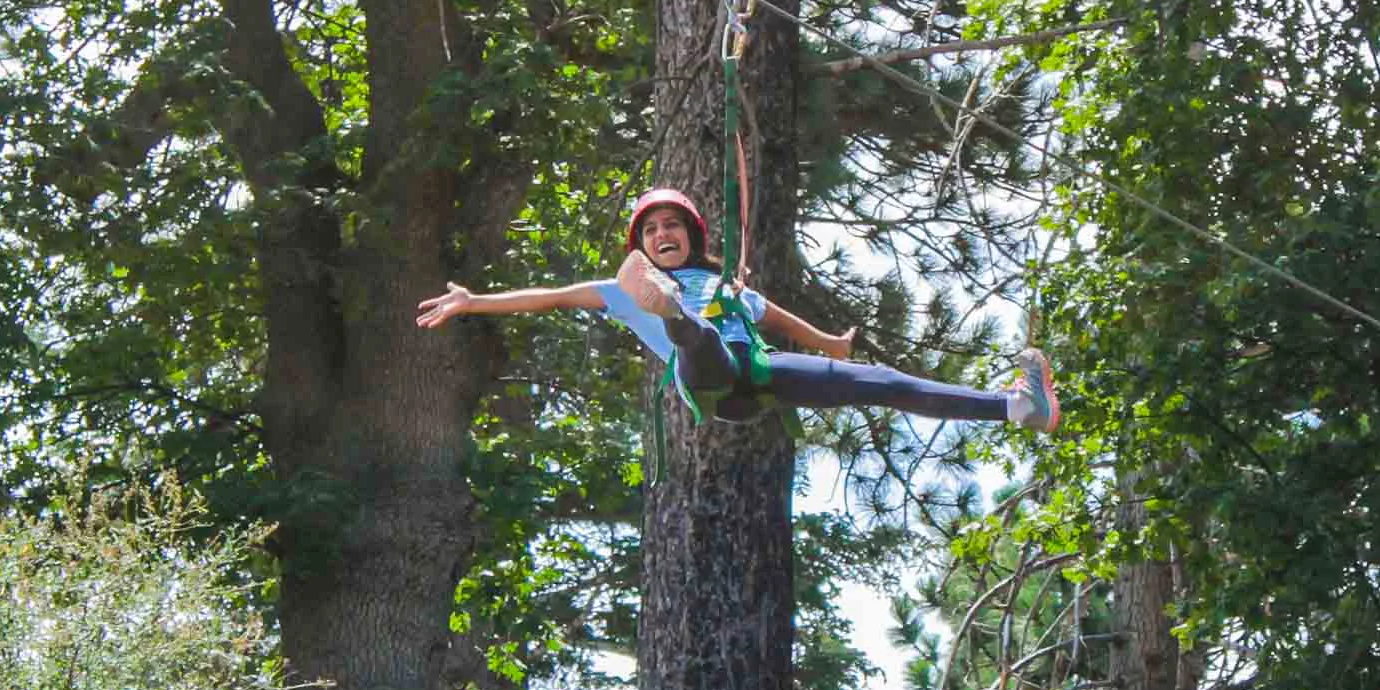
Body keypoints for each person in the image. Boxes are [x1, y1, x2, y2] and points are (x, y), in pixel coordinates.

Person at [416, 187, 1059, 432]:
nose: (663, 234)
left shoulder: (726, 288)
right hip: (707, 382)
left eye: (673, 227)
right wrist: (475, 302)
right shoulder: (622, 289)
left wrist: (830, 345)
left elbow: (777, 318)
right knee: (694, 337)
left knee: (883, 385)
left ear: (691, 237)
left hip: (757, 375)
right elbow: (546, 297)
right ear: (640, 249)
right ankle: (675, 319)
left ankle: (1014, 408)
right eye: (651, 230)